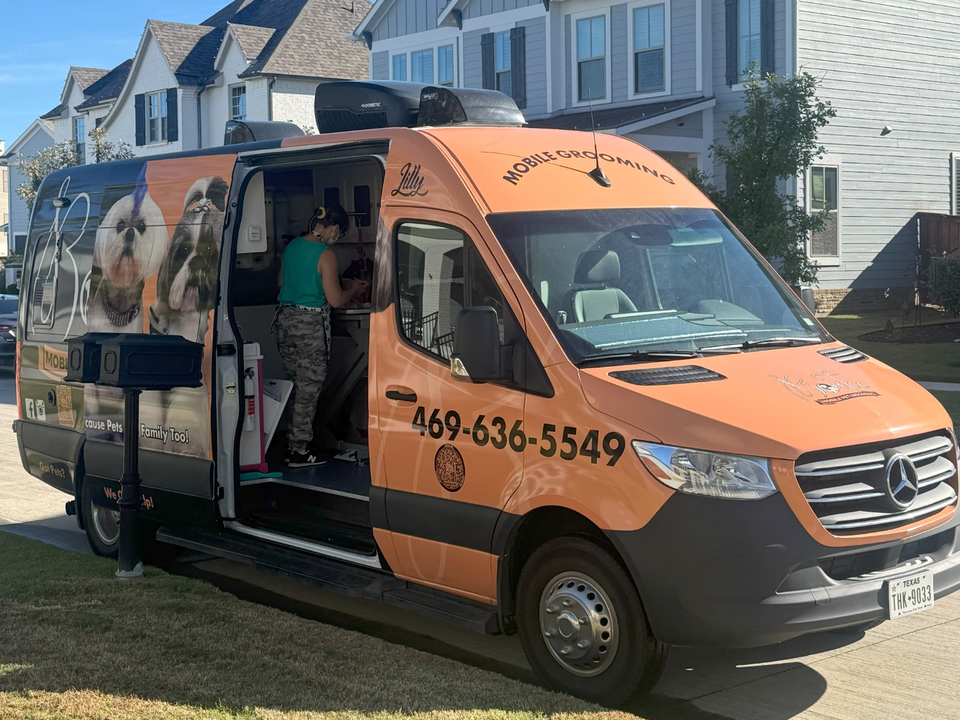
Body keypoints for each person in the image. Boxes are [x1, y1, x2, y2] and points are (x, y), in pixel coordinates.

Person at [276, 205, 369, 467]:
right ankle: (299, 451)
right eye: (339, 233)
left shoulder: (293, 246)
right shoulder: (325, 254)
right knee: (309, 387)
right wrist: (353, 291)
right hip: (309, 325)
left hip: (285, 321)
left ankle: (292, 442)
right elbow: (336, 300)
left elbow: (283, 283)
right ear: (335, 228)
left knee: (295, 384)